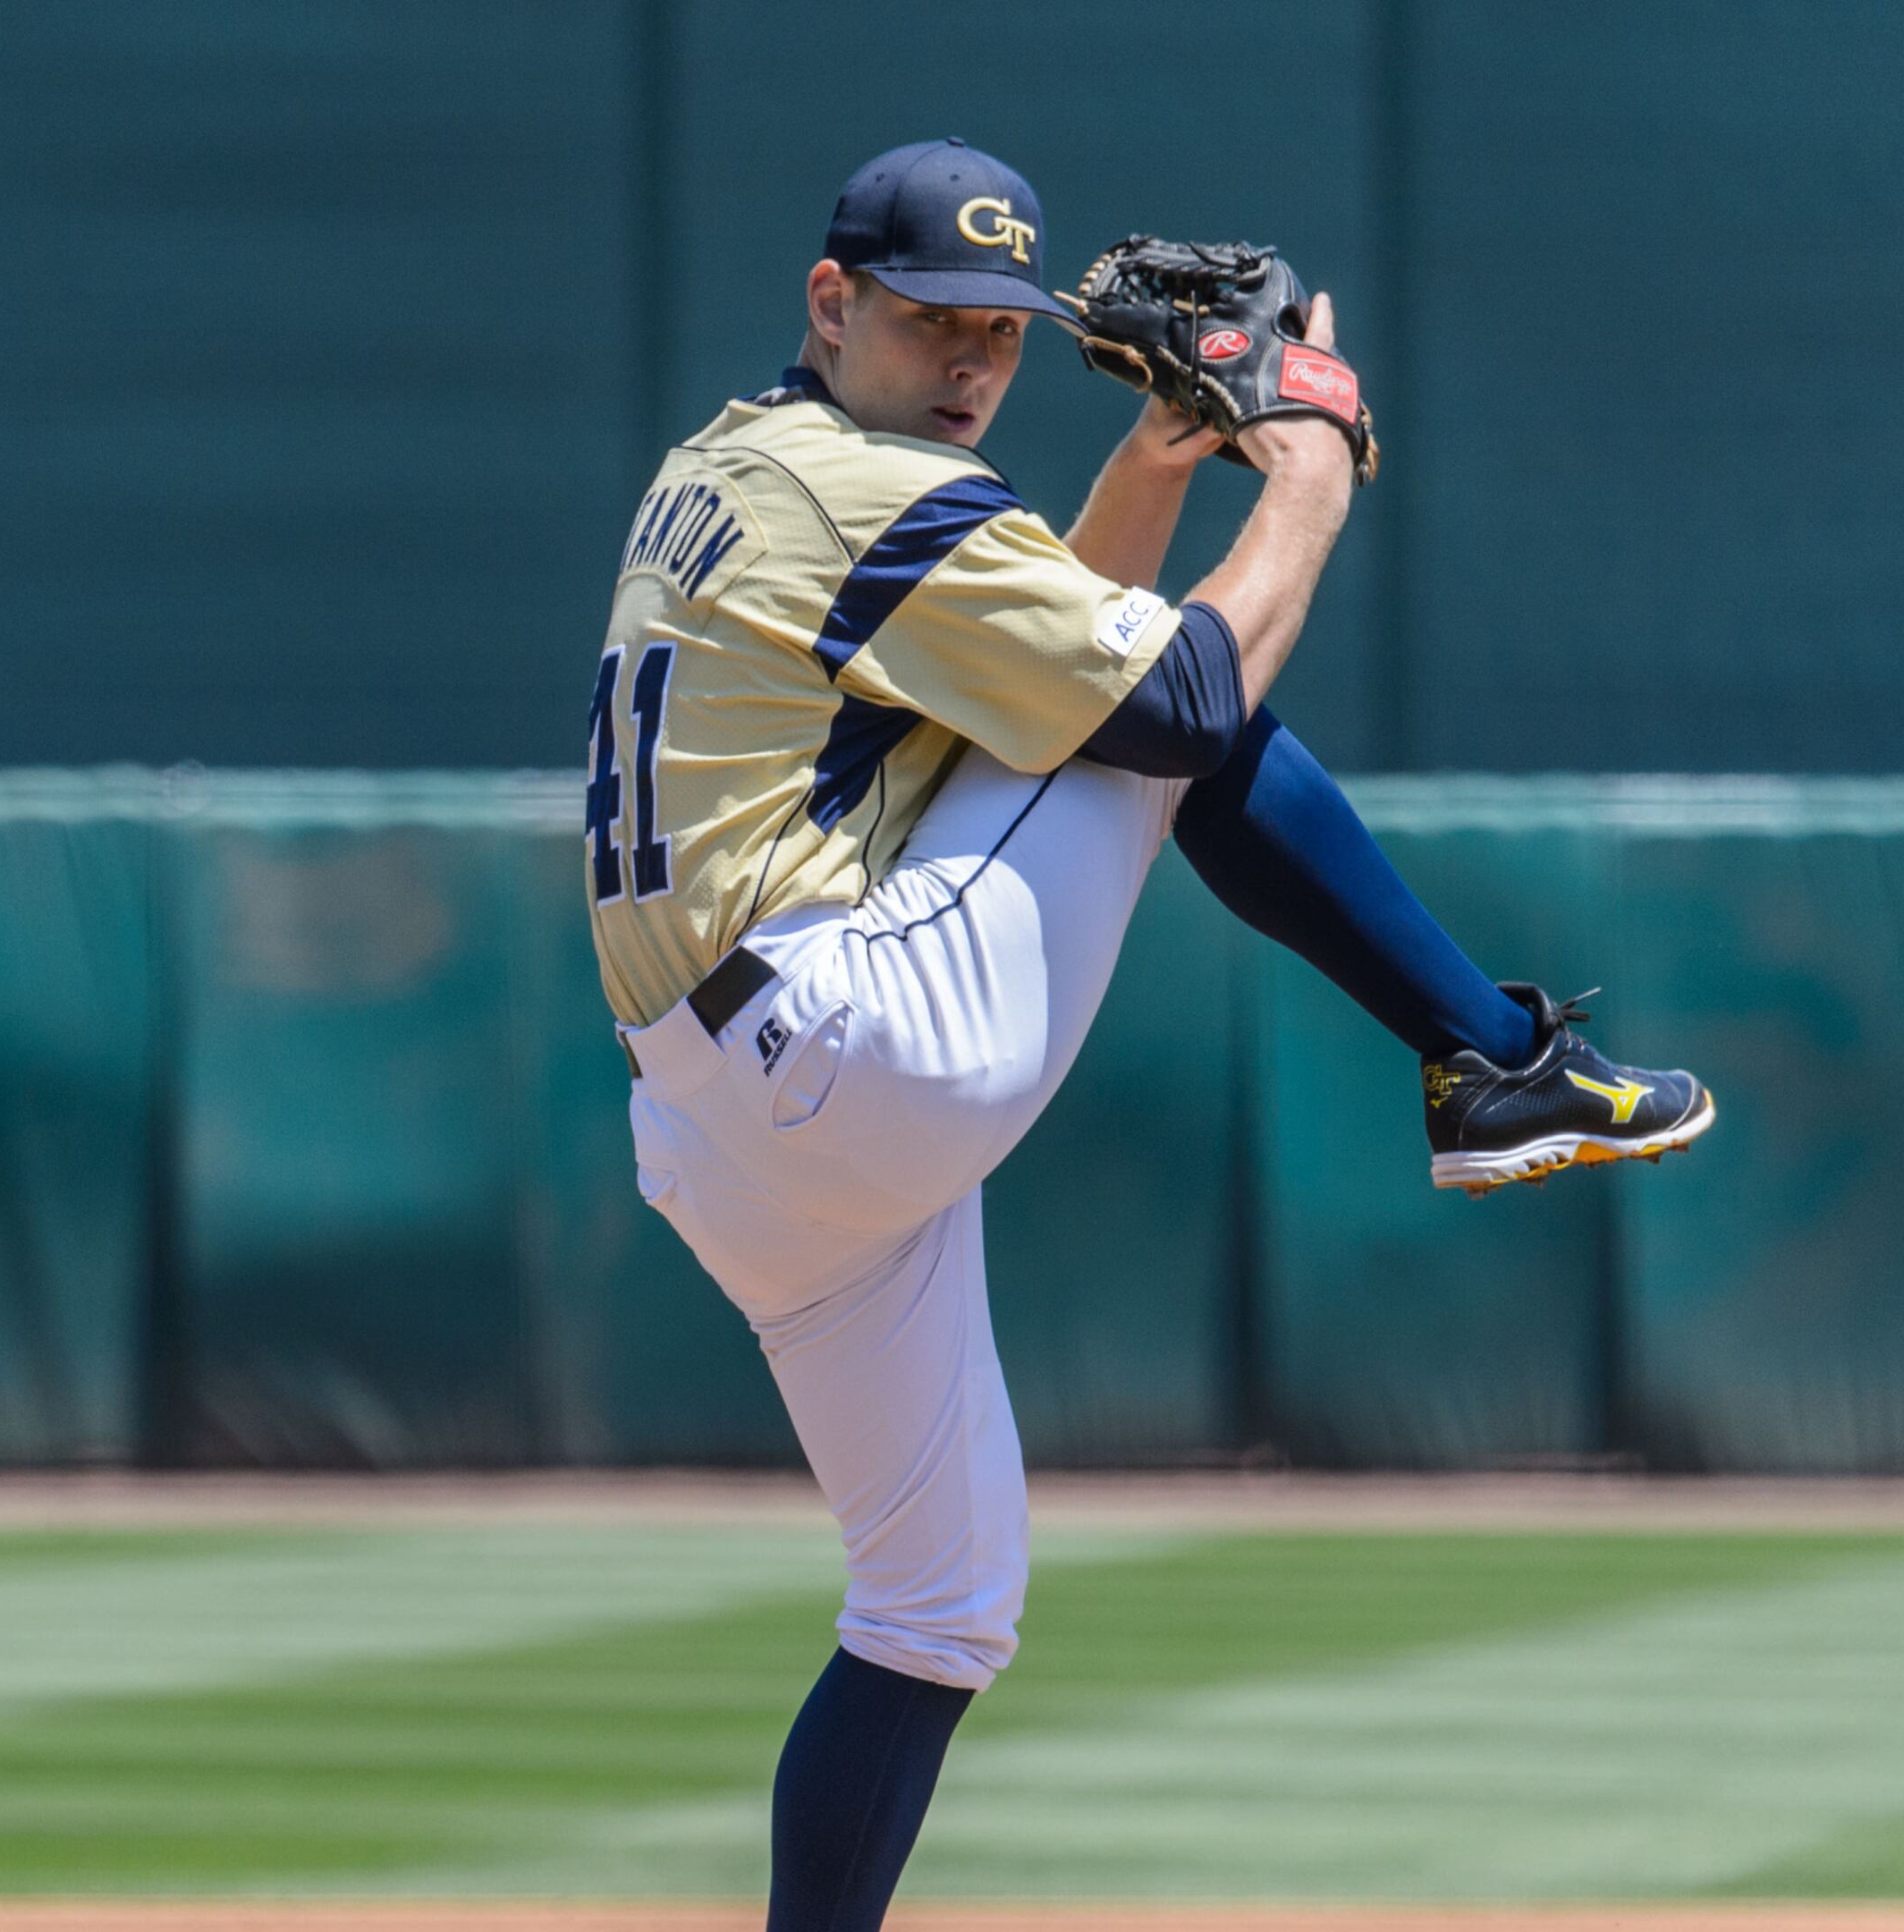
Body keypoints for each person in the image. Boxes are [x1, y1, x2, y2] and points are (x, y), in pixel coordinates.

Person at [583, 139, 1713, 1932]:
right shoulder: (885, 496)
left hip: (724, 1125)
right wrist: (1312, 456)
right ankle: (1486, 1056)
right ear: (831, 303)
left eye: (999, 331)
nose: (968, 358)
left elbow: (1012, 709)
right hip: (855, 1035)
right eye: (928, 317)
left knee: (935, 1609)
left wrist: (1151, 459)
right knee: (1190, 716)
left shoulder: (744, 466)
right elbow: (1173, 700)